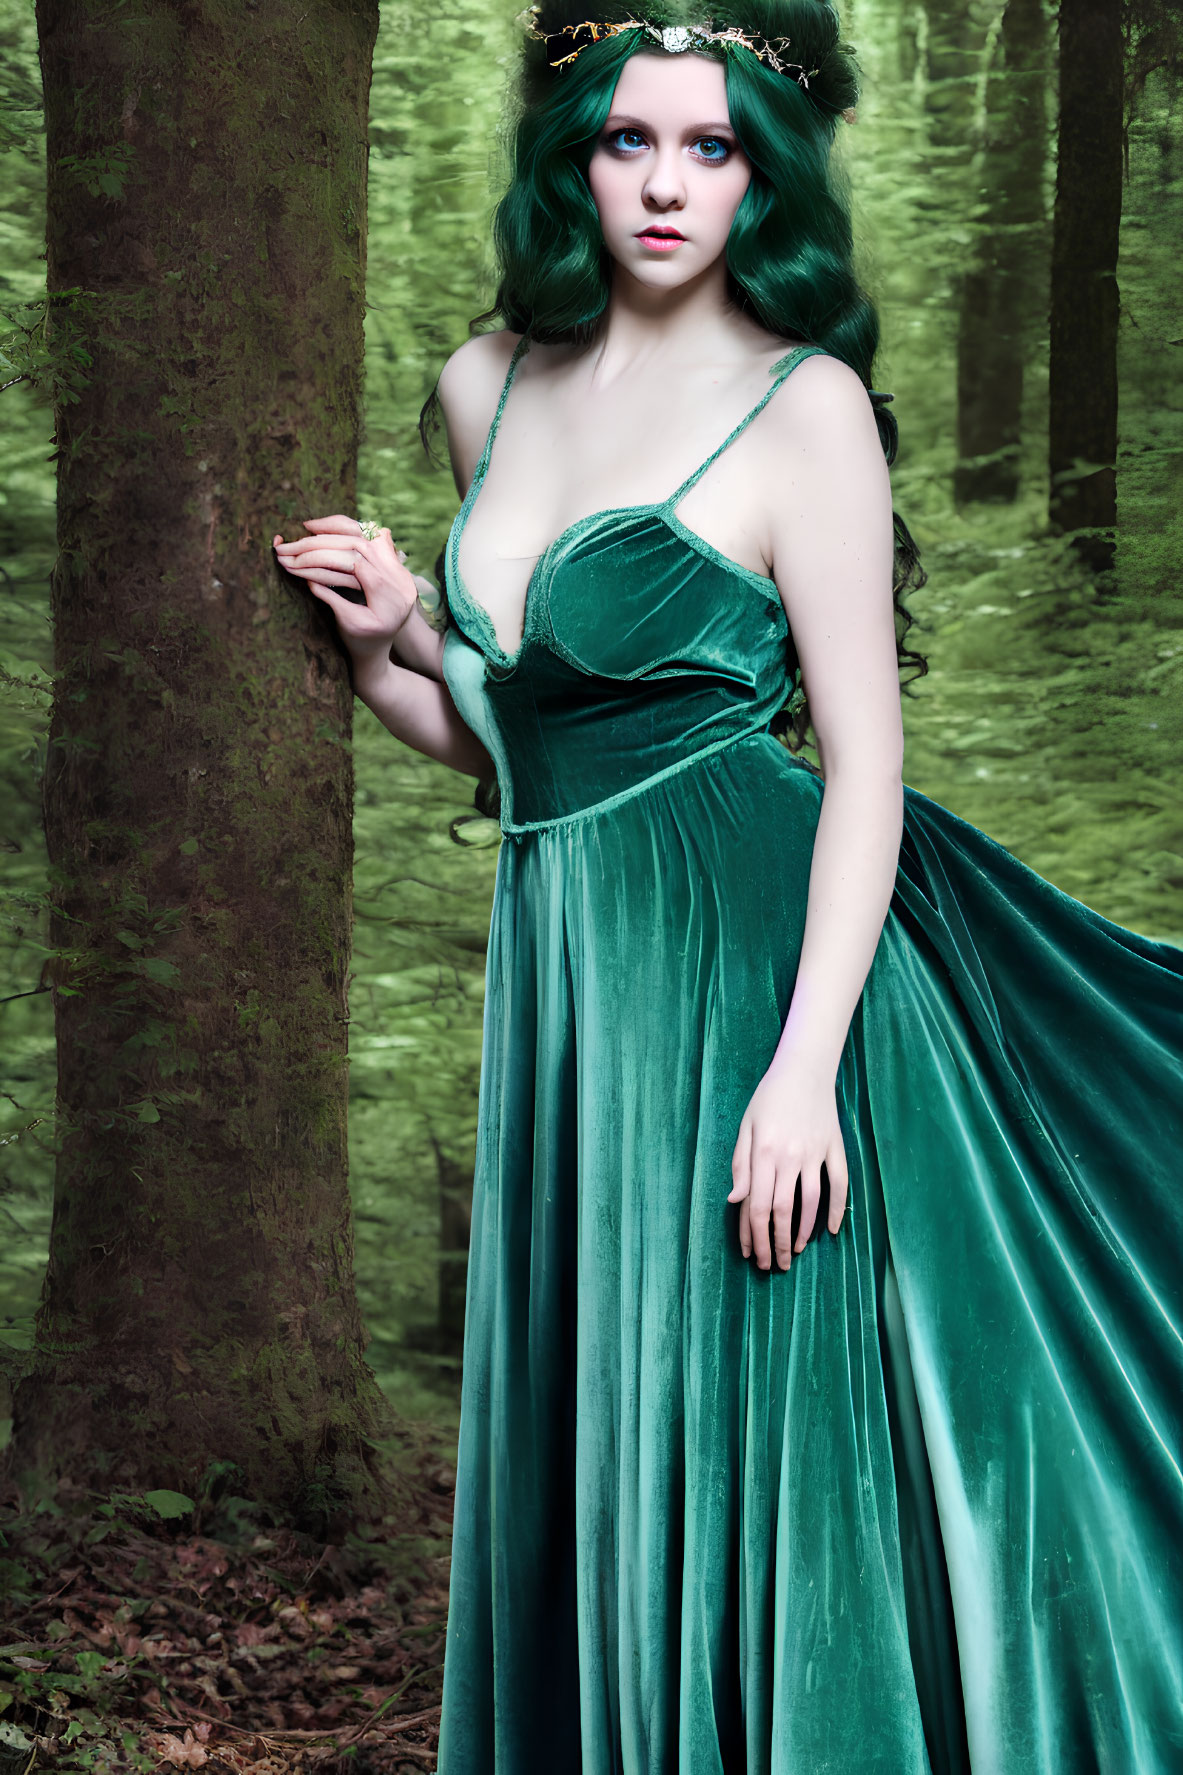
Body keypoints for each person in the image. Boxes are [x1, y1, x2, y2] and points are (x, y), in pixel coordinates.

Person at [274, 2, 1183, 1768]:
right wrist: (397, 646)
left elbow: (868, 772)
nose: (669, 184)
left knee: (775, 1432)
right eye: (630, 141)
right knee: (612, 1424)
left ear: (762, 169)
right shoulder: (488, 385)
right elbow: (523, 738)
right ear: (575, 157)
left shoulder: (806, 403)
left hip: (767, 981)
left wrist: (802, 1069)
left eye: (713, 145)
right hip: (569, 991)